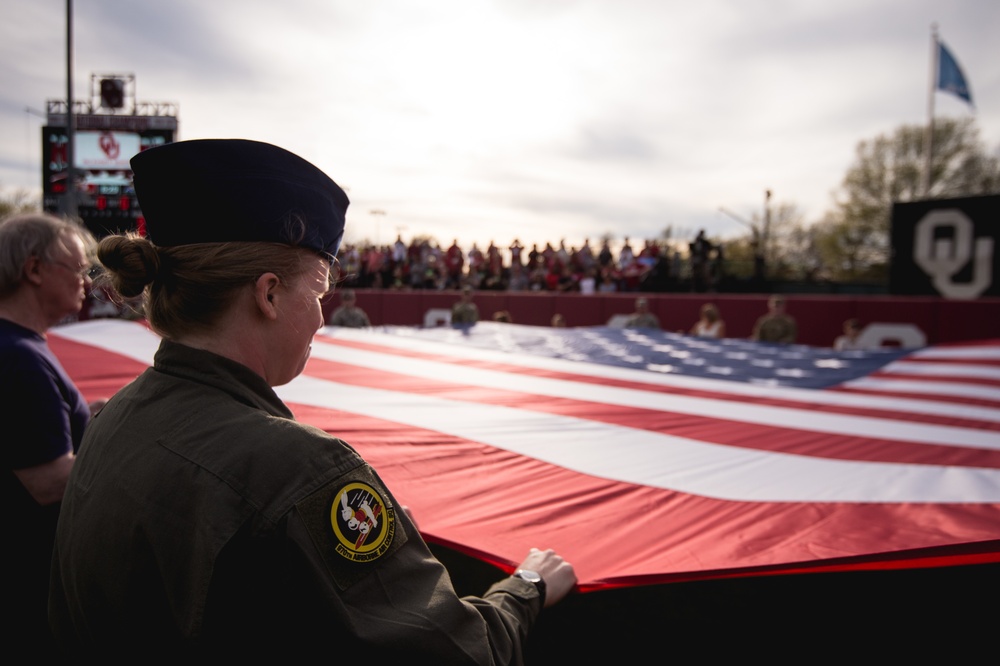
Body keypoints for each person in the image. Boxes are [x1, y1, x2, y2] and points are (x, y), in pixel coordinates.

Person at [49, 139, 576, 659]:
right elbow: (462, 653)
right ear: (269, 293)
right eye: (319, 291)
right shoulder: (302, 470)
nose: (322, 316)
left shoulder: (113, 416)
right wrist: (525, 587)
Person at [0, 213, 101, 650]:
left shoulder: (20, 345)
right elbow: (48, 483)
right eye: (78, 268)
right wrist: (129, 450)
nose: (87, 281)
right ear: (35, 270)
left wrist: (89, 417)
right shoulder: (21, 357)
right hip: (30, 583)